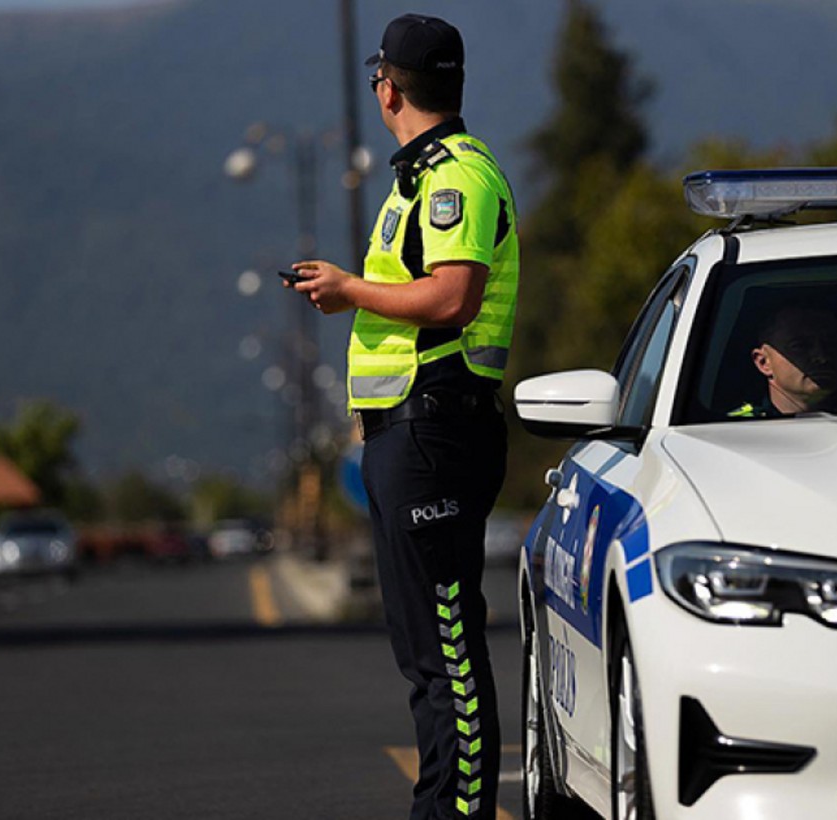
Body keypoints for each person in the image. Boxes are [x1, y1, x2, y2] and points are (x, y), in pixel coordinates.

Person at [288, 13, 518, 820]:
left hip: (435, 430)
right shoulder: (419, 179)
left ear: (388, 88)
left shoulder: (456, 175)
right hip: (408, 431)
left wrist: (350, 290)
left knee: (448, 652)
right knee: (425, 651)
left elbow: (454, 297)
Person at [730, 305, 837, 417]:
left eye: (830, 344)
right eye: (800, 346)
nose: (822, 357)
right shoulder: (736, 428)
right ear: (763, 362)